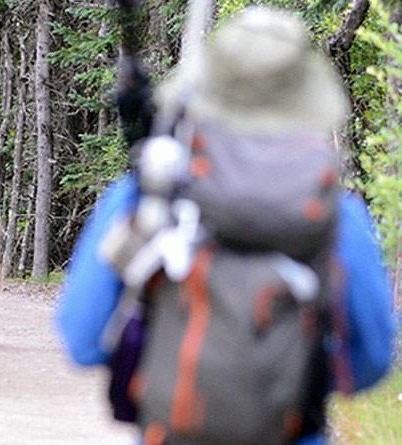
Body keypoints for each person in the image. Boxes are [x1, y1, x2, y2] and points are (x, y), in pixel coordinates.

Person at [56, 6, 396, 445]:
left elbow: (83, 339)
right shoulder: (337, 215)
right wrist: (283, 374)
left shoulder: (152, 194)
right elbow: (369, 365)